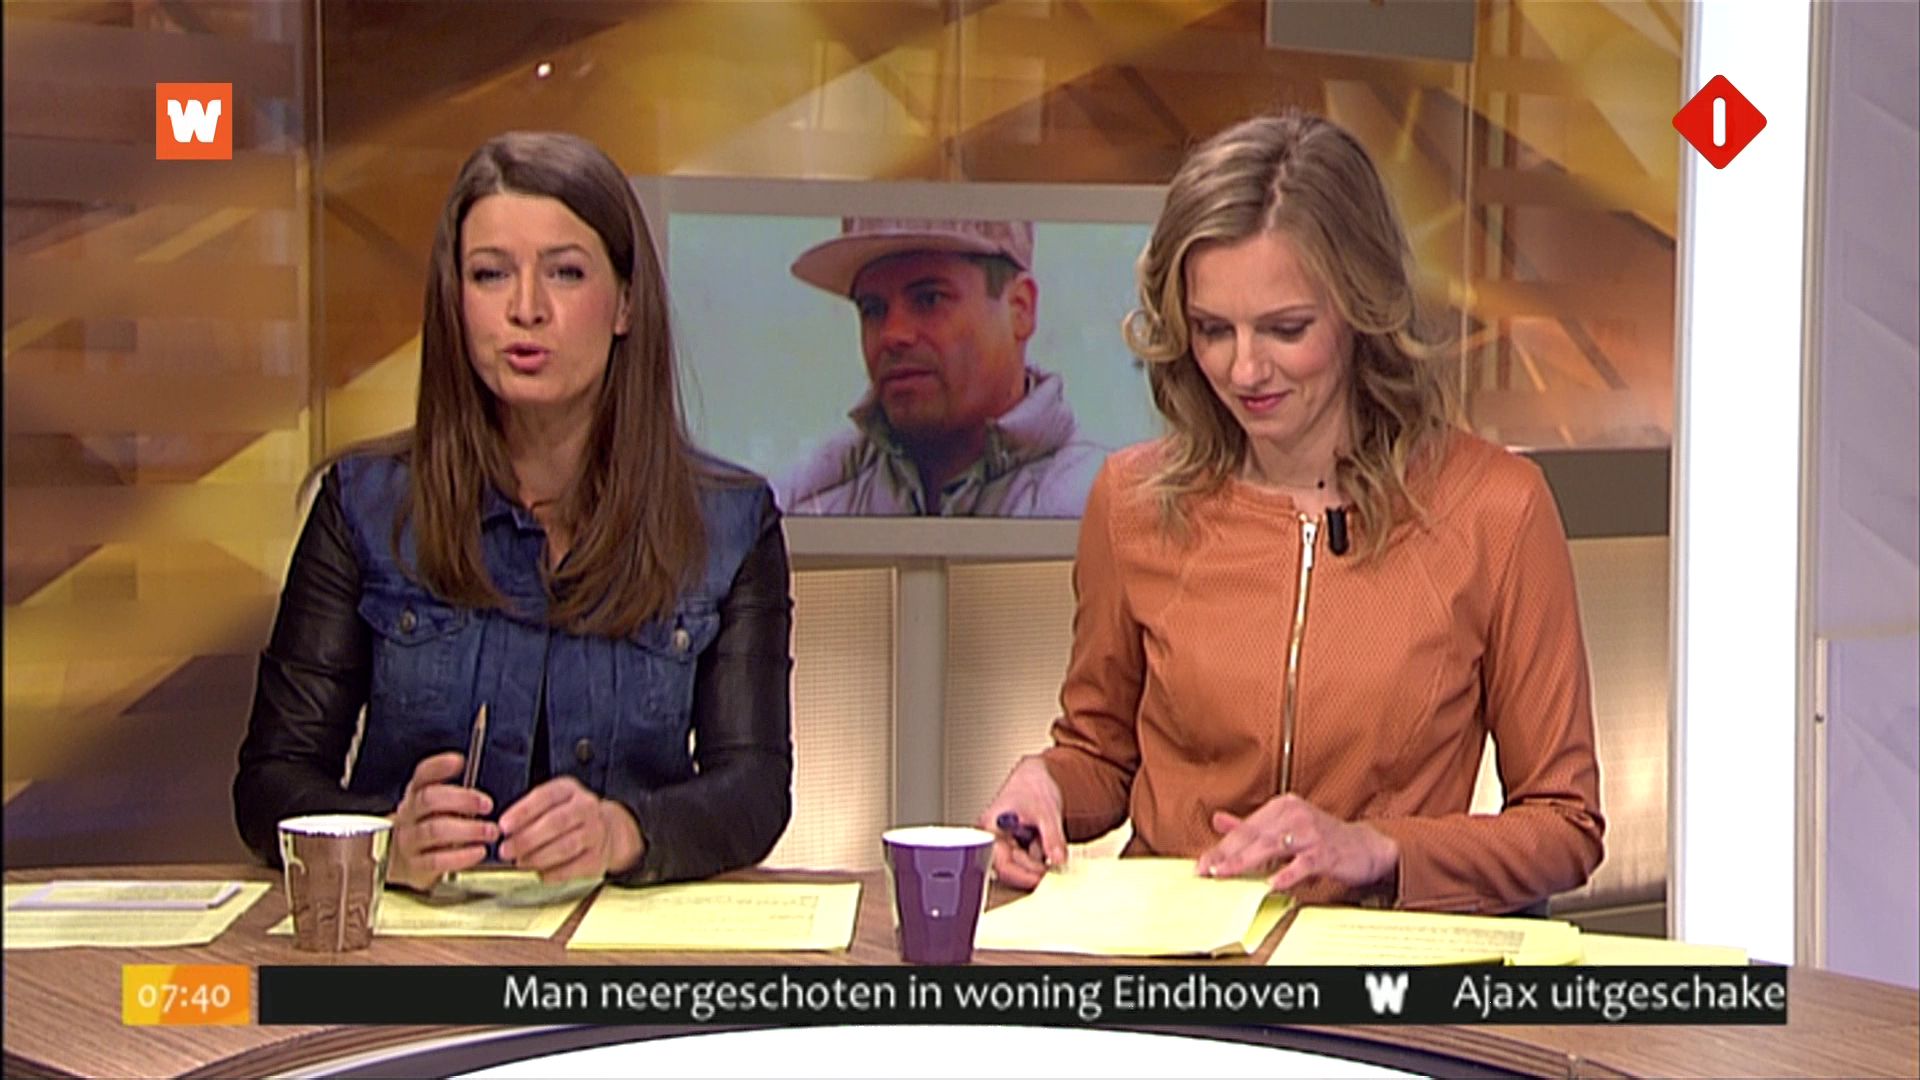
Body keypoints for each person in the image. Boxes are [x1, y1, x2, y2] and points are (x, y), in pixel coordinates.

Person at [978, 111, 1604, 914]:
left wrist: (1378, 848)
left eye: (1285, 329)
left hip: (1374, 964)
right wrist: (1045, 786)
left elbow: (1563, 823)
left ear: (1361, 309)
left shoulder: (1495, 509)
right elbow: (1102, 754)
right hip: (1175, 957)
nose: (1244, 369)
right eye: (1213, 330)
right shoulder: (1131, 502)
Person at [234, 131, 793, 889]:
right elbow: (271, 784)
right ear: (455, 302)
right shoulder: (363, 507)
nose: (526, 310)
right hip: (420, 938)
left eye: (565, 272)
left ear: (626, 302)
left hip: (625, 940)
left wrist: (625, 833)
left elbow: (754, 793)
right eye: (490, 274)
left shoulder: (728, 524)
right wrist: (383, 843)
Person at [777, 217, 1105, 516]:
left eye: (929, 299)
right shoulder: (806, 506)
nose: (893, 334)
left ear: (1020, 309)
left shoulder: (1104, 511)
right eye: (872, 309)